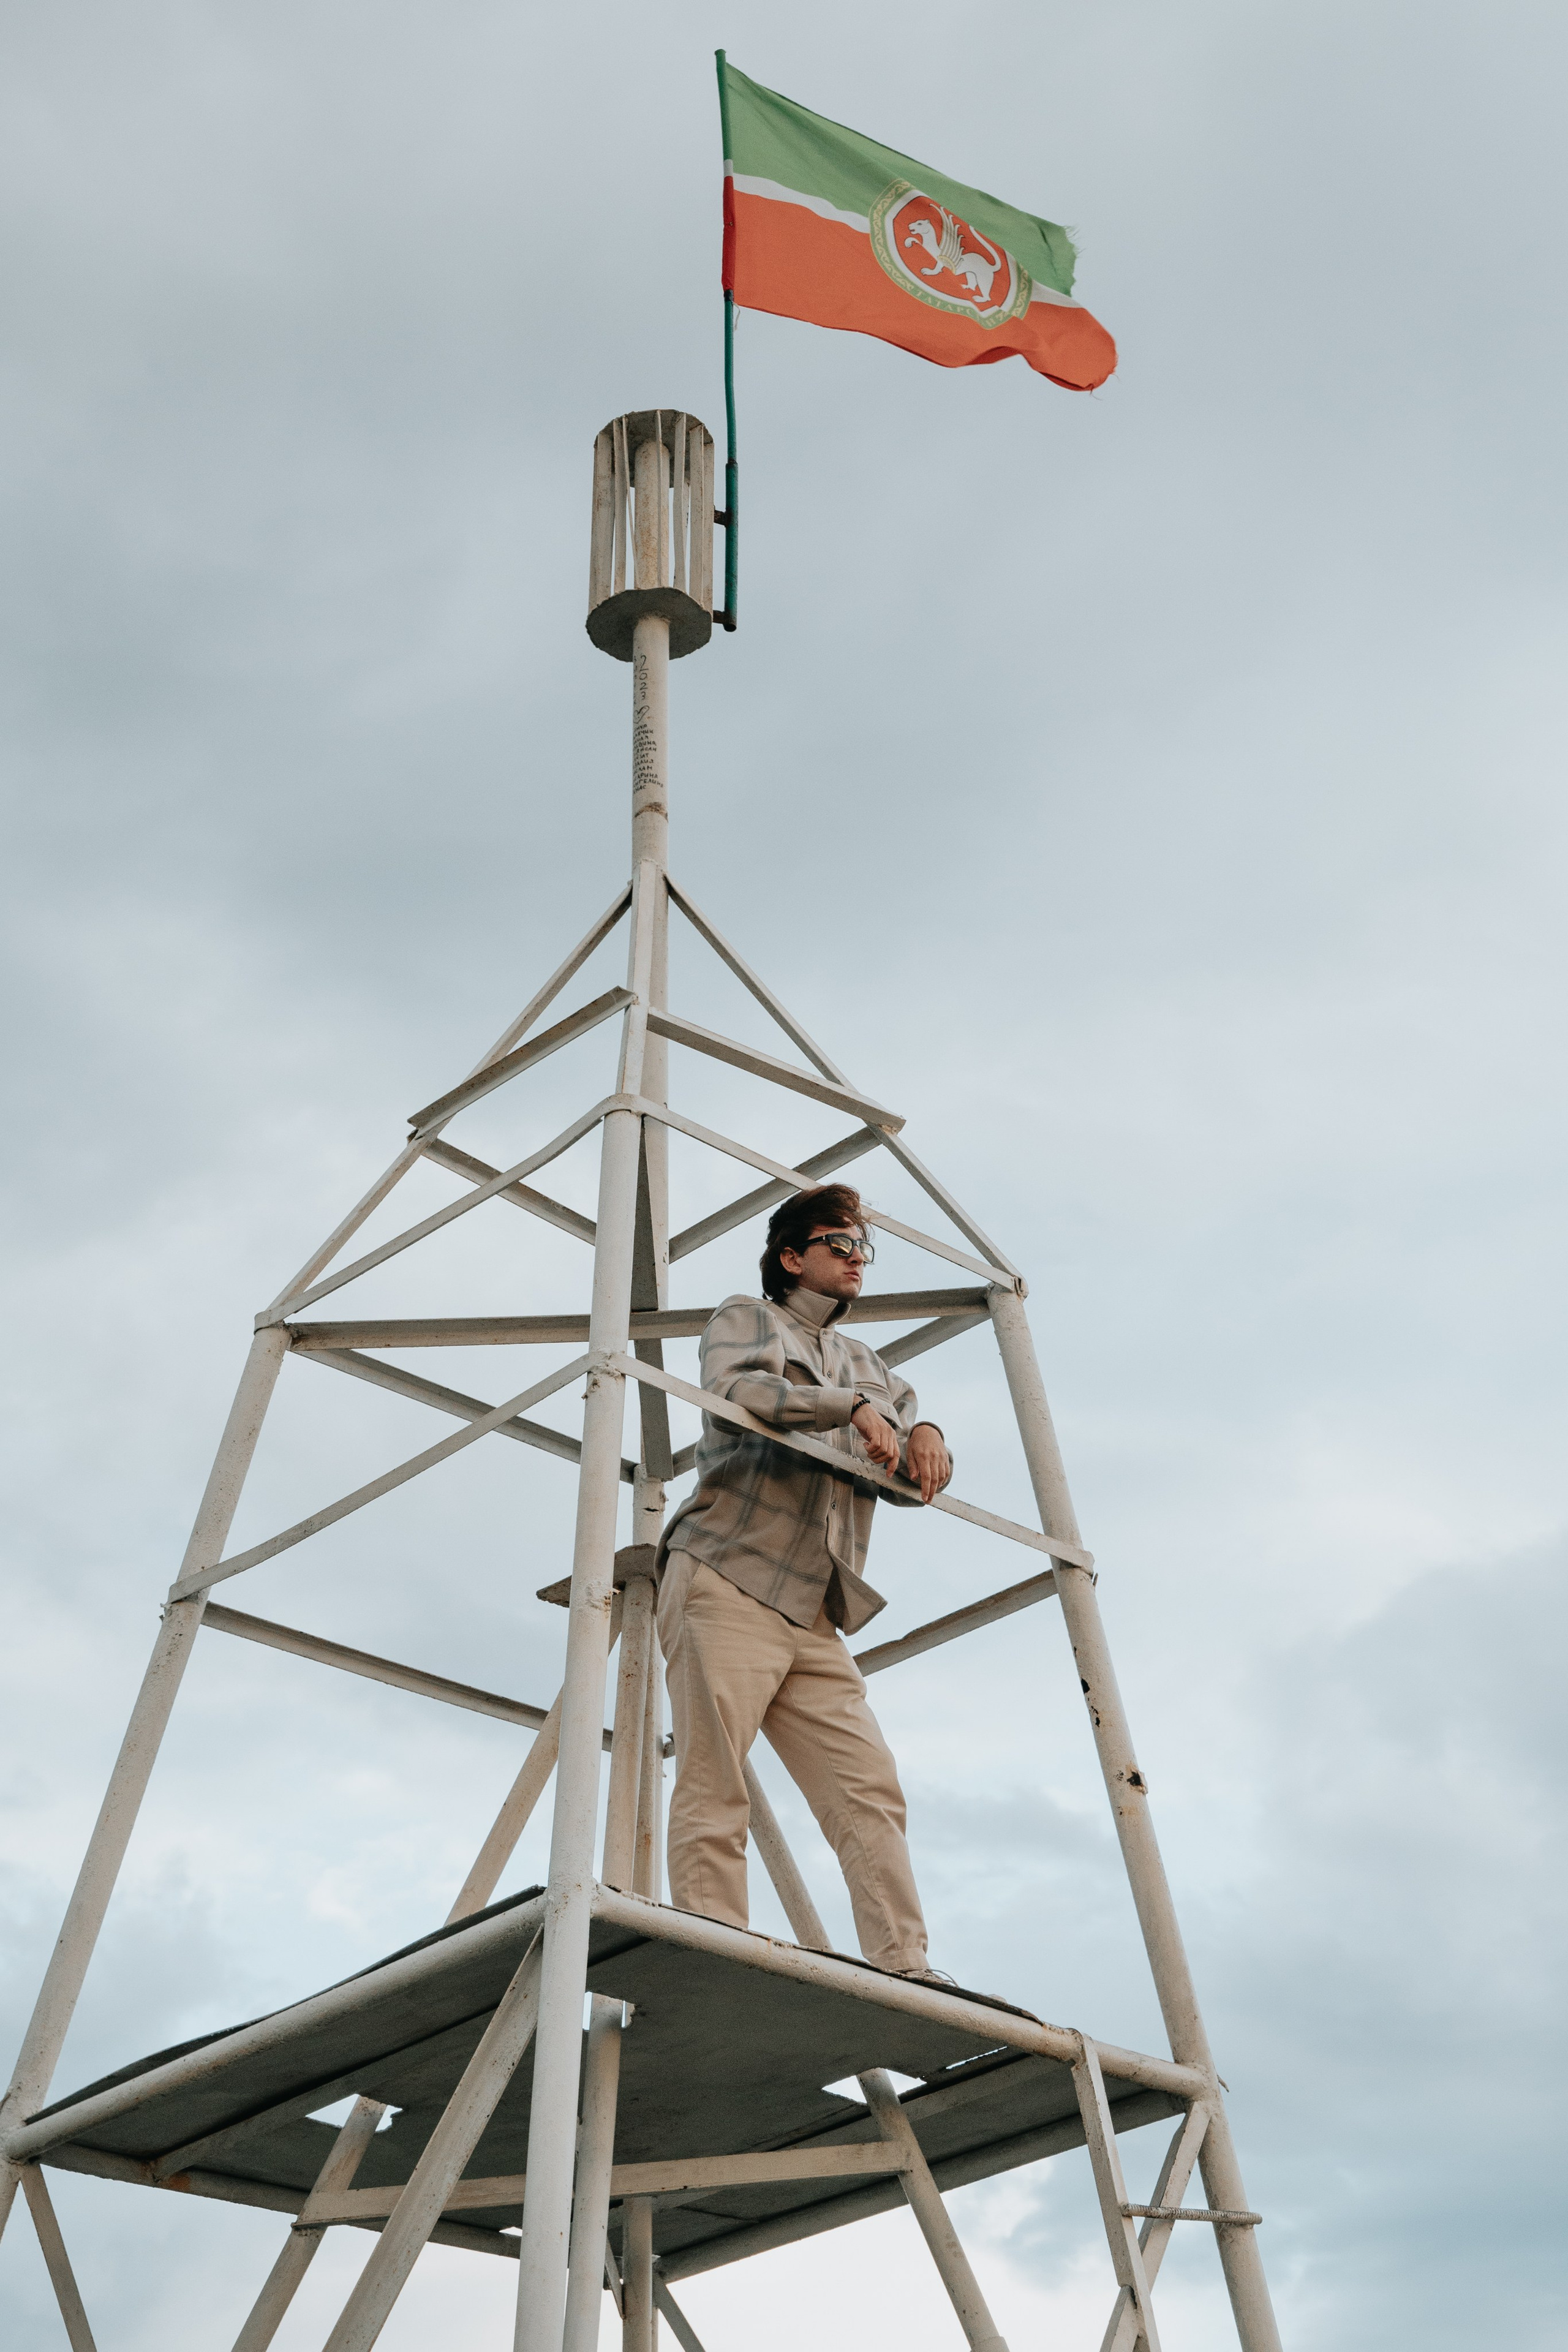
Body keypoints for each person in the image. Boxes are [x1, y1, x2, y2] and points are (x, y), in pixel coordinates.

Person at [656, 1182, 954, 1981]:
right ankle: (714, 1944)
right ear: (793, 1257)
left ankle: (905, 1964)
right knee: (716, 1777)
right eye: (839, 1244)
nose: (857, 1259)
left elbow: (903, 1432)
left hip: (812, 1608)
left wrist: (922, 1429)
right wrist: (851, 1408)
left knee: (868, 1788)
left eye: (864, 1248)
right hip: (727, 1571)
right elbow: (737, 1392)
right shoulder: (744, 1319)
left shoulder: (869, 1363)